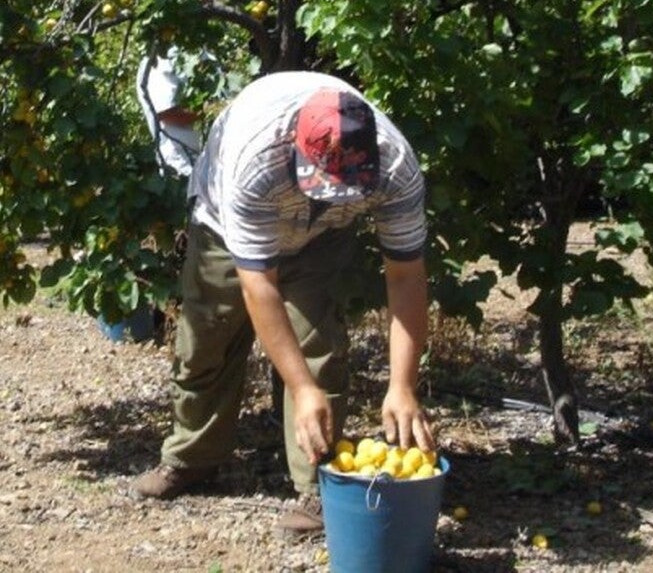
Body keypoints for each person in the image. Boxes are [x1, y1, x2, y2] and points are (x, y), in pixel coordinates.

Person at [130, 71, 437, 538]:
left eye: (348, 184)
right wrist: (300, 388)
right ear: (295, 148)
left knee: (319, 350)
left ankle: (318, 489)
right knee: (205, 342)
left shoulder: (396, 168)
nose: (332, 192)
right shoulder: (256, 160)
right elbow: (259, 288)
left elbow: (406, 275)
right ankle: (192, 459)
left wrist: (402, 385)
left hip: (323, 235)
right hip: (223, 226)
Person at [135, 48, 201, 178]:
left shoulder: (190, 47)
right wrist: (209, 112)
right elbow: (166, 113)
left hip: (201, 156)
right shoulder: (159, 61)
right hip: (182, 159)